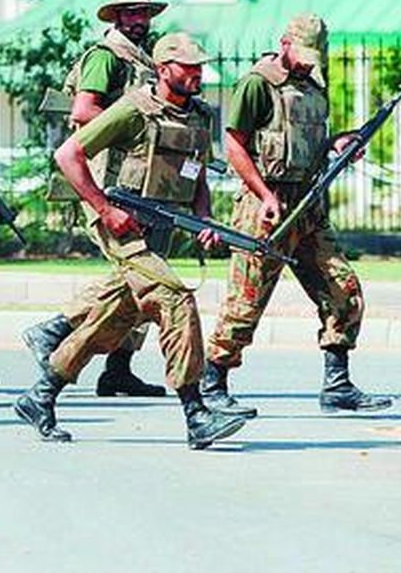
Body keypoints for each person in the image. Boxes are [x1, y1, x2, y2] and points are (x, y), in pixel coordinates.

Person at [16, 33, 248, 449]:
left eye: (200, 68)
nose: (197, 75)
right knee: (176, 300)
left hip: (161, 224)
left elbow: (197, 174)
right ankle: (196, 413)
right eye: (188, 68)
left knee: (116, 314)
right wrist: (106, 210)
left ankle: (41, 394)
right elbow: (68, 155)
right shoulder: (133, 109)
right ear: (163, 70)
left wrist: (203, 220)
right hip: (122, 222)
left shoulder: (200, 115)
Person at [202, 14, 393, 417]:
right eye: (302, 54)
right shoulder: (257, 83)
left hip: (309, 205)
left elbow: (311, 142)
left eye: (314, 56)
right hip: (265, 208)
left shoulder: (313, 84)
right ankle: (213, 382)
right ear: (285, 42)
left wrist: (339, 143)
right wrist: (264, 194)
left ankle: (337, 384)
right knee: (246, 303)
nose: (308, 63)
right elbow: (235, 146)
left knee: (344, 290)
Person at [23, 0, 168, 398]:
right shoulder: (108, 57)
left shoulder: (145, 59)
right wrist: (131, 127)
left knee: (143, 279)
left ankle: (118, 370)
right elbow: (84, 110)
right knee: (141, 274)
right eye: (132, 13)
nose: (140, 20)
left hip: (142, 184)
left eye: (144, 13)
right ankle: (54, 330)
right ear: (118, 16)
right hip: (111, 186)